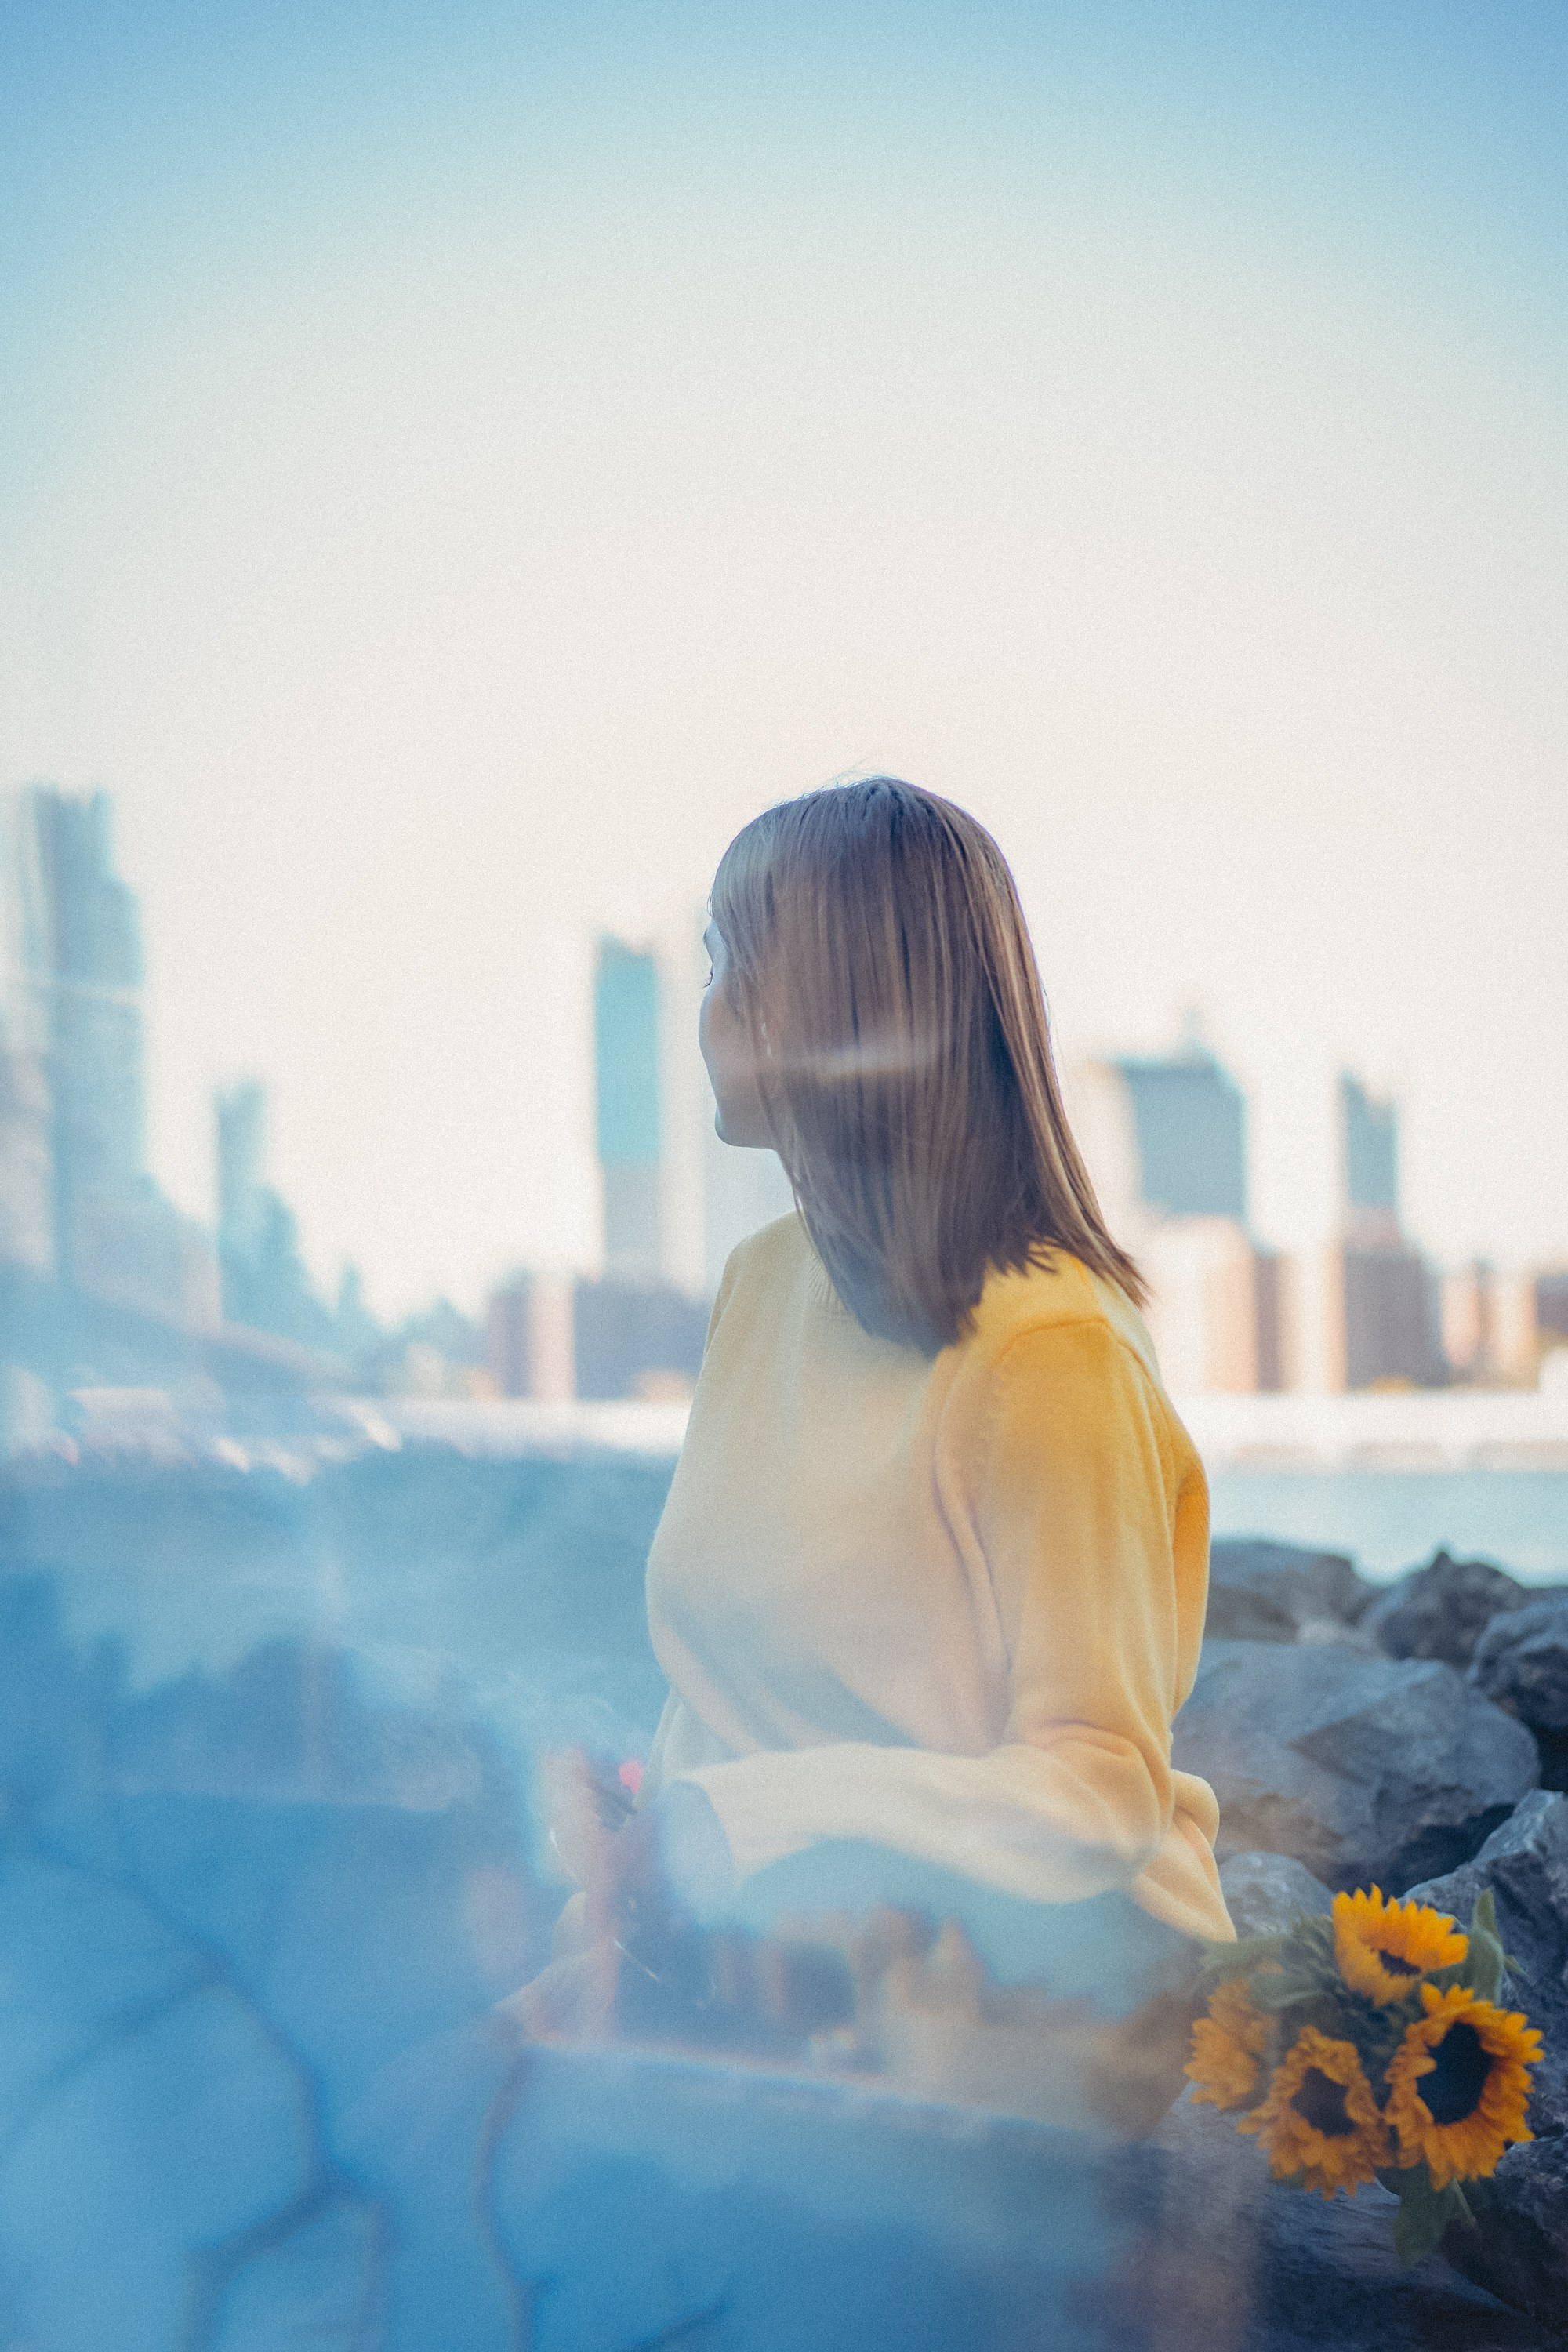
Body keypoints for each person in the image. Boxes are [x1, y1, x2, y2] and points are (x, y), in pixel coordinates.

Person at [533, 778, 1233, 2129]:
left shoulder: (1052, 1351)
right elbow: (729, 1709)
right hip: (769, 1974)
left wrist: (744, 1827)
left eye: (734, 962)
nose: (707, 1007)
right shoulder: (758, 1283)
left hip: (1030, 2016)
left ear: (842, 1000)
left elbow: (1101, 1794)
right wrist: (631, 1870)